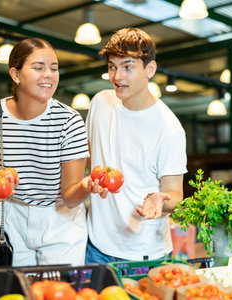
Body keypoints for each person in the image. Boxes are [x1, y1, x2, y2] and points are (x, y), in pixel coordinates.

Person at [0, 38, 104, 267]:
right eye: (39, 67)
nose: (49, 75)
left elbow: (70, 196)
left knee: (58, 290)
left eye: (54, 68)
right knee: (17, 290)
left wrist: (86, 187)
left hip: (59, 220)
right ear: (15, 74)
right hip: (11, 217)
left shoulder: (69, 121)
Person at [85, 28, 187, 263]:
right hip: (95, 246)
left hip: (146, 254)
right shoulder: (100, 103)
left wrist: (160, 199)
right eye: (112, 66)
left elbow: (176, 194)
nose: (117, 76)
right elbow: (89, 159)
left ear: (149, 69)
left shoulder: (169, 128)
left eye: (128, 67)